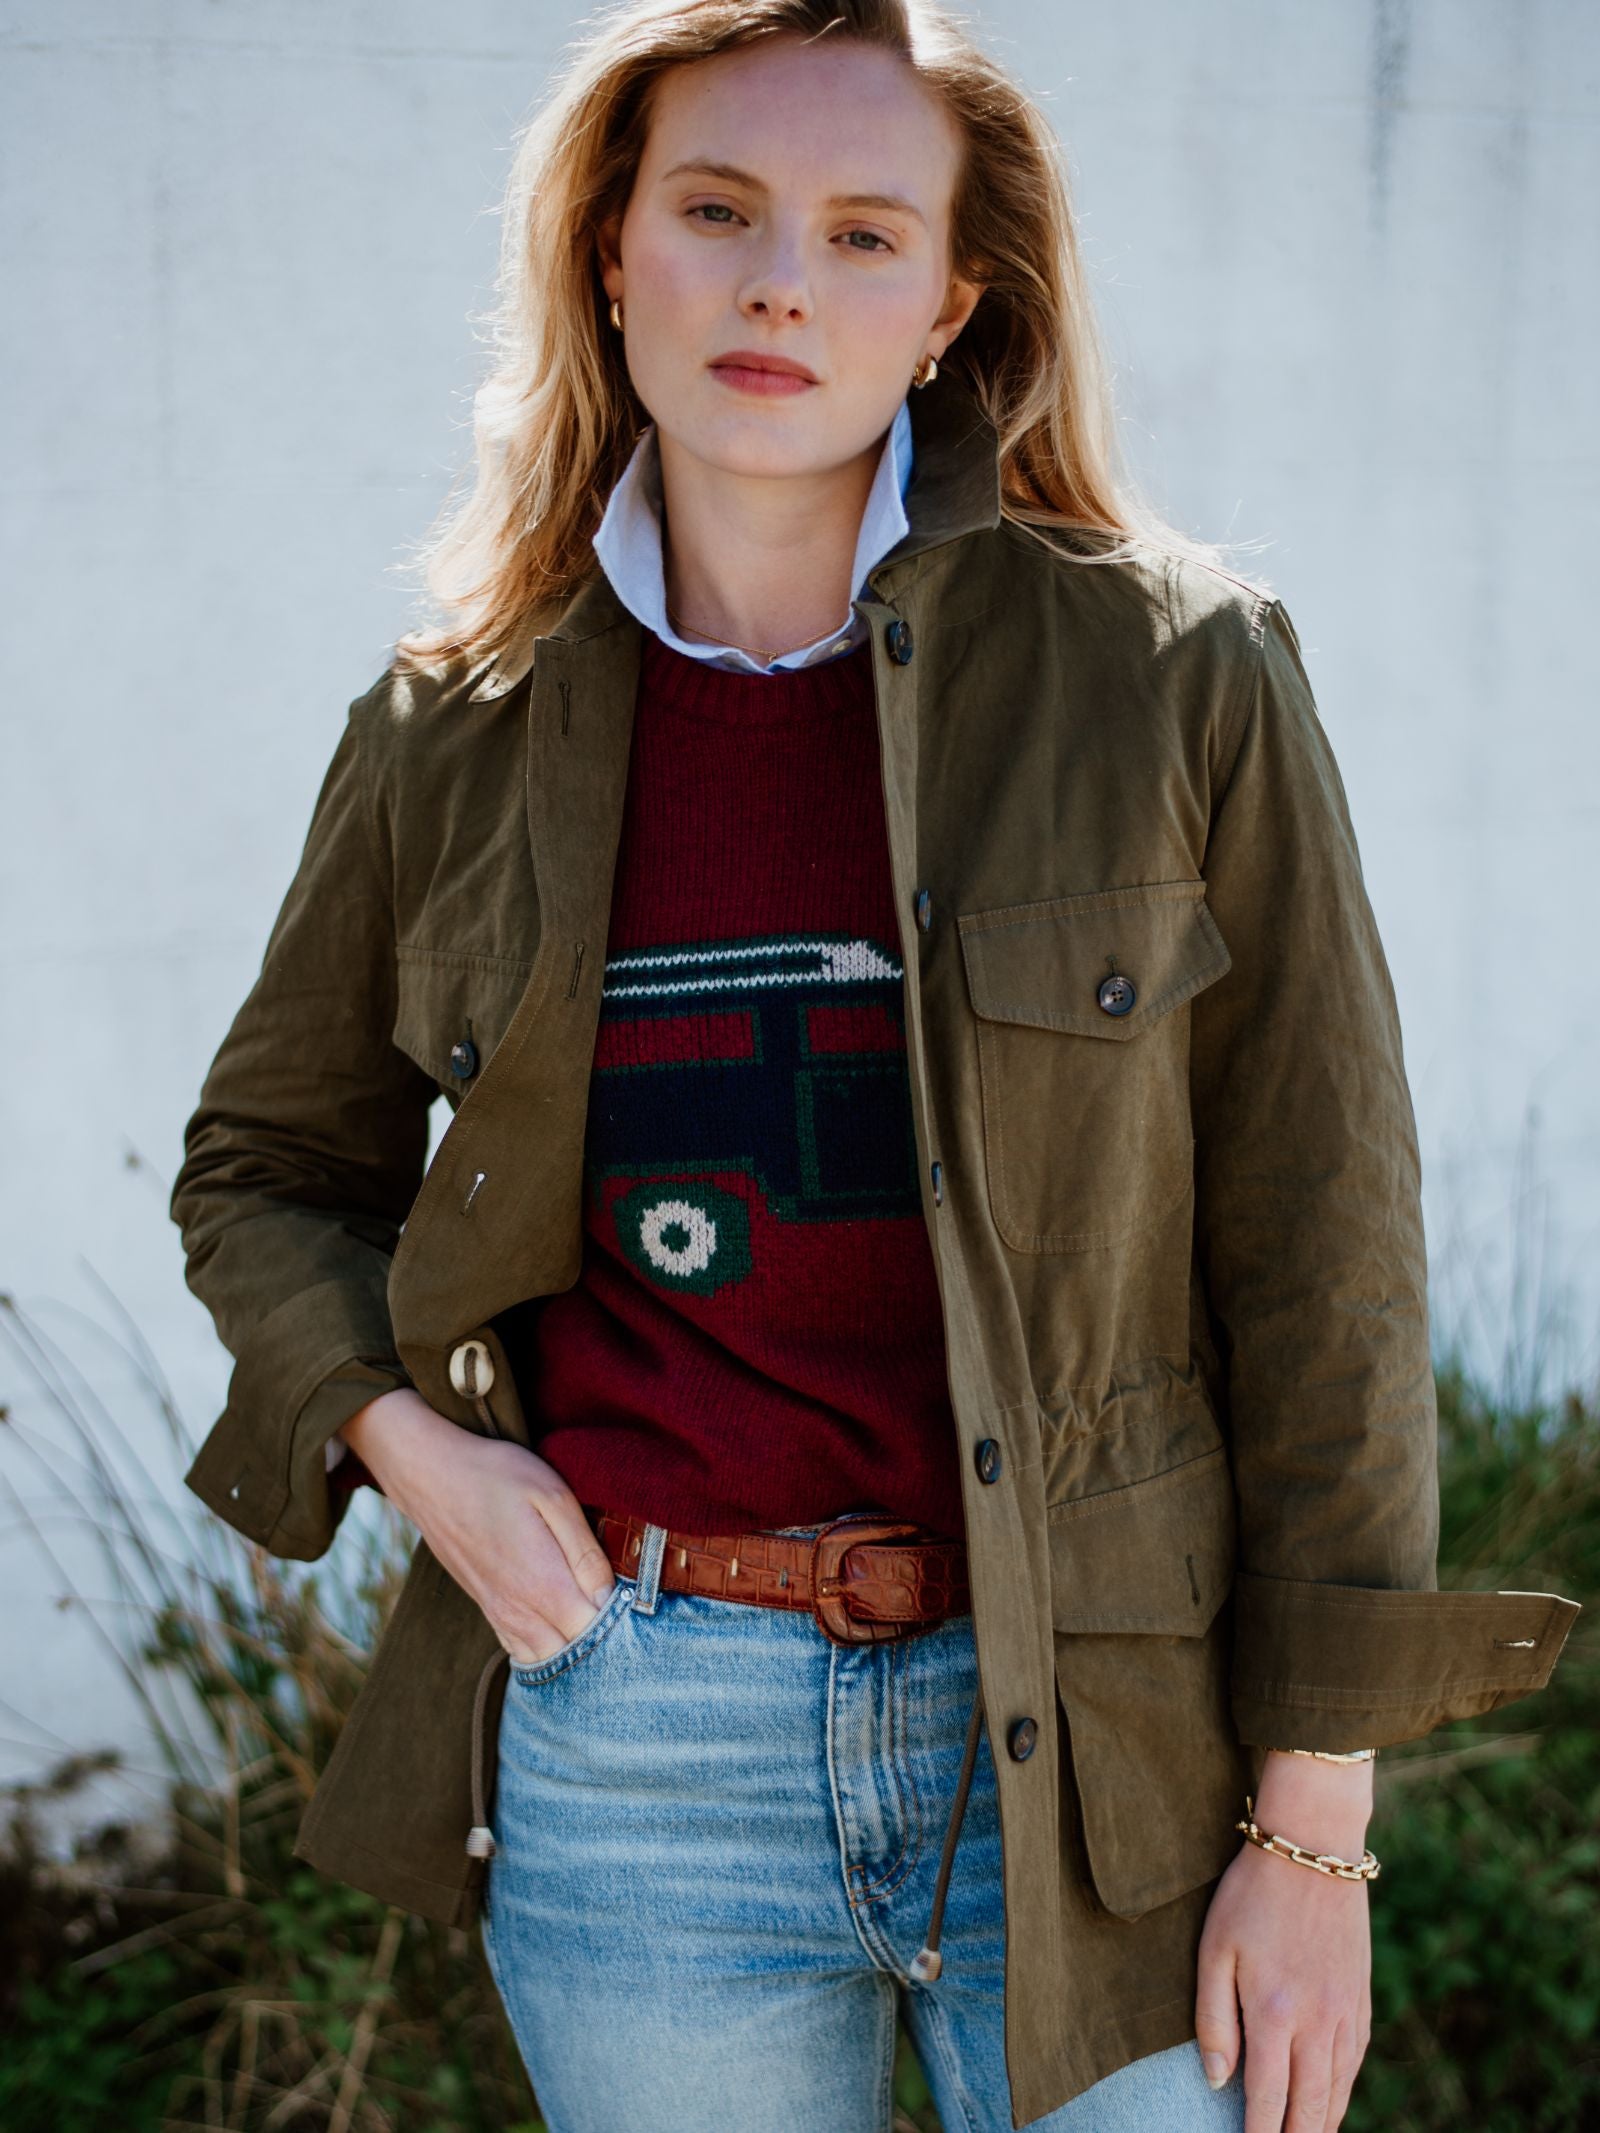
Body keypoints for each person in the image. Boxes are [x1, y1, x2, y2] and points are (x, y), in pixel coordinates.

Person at [170, 4, 1581, 2130]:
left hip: (1104, 1736)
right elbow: (265, 1166)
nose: (777, 286)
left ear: (950, 305)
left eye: (859, 233)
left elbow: (1327, 1261)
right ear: (610, 253)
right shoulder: (444, 731)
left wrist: (1313, 1826)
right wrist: (416, 1453)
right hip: (641, 1752)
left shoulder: (1177, 674)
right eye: (715, 212)